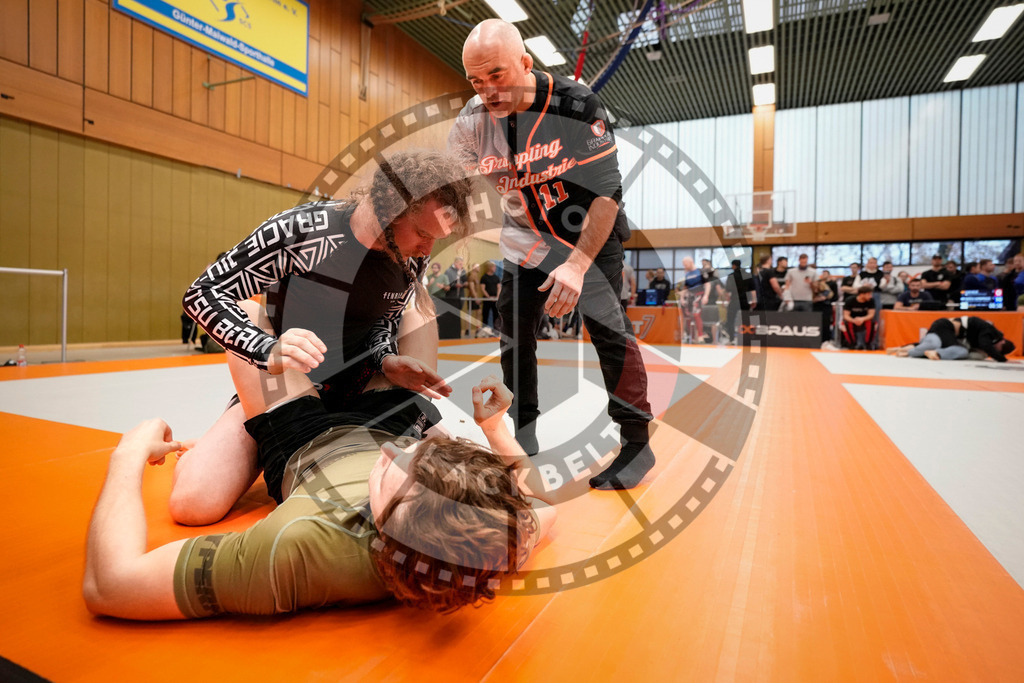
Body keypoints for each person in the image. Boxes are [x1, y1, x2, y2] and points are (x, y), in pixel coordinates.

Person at [82, 308, 556, 619]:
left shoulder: (298, 548)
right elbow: (541, 505)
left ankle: (246, 399)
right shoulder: (484, 542)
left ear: (386, 531)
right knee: (416, 312)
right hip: (387, 410)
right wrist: (496, 433)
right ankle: (403, 285)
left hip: (305, 437)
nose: (395, 451)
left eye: (396, 472)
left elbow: (110, 585)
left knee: (193, 503)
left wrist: (127, 455)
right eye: (420, 451)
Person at [175, 150, 472, 526]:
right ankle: (229, 434)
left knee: (421, 309)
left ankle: (403, 416)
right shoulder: (301, 230)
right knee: (193, 504)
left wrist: (386, 359)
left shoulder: (409, 256)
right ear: (390, 208)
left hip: (363, 386)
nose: (428, 250)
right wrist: (266, 348)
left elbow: (386, 318)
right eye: (424, 235)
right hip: (289, 384)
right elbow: (202, 293)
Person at [448, 19, 655, 490]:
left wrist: (579, 266)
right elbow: (450, 185)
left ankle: (638, 442)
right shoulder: (472, 122)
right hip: (525, 240)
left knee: (607, 329)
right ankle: (522, 432)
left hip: (588, 236)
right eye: (476, 81)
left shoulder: (576, 105)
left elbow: (608, 191)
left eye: (497, 75)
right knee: (514, 331)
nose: (488, 91)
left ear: (525, 62)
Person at [888, 317, 967, 360]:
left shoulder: (957, 342)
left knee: (962, 351)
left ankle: (902, 349)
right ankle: (907, 352)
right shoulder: (947, 324)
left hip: (942, 338)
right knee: (933, 343)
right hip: (941, 330)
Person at [677, 257, 708, 342]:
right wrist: (682, 298)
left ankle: (700, 336)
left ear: (690, 262)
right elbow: (685, 287)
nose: (684, 266)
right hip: (689, 297)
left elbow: (707, 284)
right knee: (688, 316)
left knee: (696, 314)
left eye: (685, 264)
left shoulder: (700, 271)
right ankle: (692, 337)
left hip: (698, 296)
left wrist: (706, 296)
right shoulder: (687, 274)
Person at [723, 259, 754, 342]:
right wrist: (754, 300)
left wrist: (726, 300)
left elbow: (727, 290)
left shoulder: (731, 276)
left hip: (734, 300)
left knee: (730, 320)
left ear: (733, 266)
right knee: (746, 319)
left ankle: (731, 339)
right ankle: (746, 338)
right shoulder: (747, 275)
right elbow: (752, 289)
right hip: (745, 301)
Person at [842, 285, 877, 350]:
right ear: (862, 294)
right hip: (852, 319)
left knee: (873, 323)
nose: (870, 296)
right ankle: (852, 344)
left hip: (865, 319)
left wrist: (862, 319)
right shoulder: (850, 300)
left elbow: (871, 314)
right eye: (869, 294)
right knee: (844, 323)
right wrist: (853, 320)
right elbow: (846, 315)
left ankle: (868, 344)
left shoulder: (871, 301)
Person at [478, 261, 502, 335]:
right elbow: (482, 289)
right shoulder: (484, 277)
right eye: (493, 267)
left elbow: (499, 287)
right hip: (487, 299)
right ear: (489, 267)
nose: (495, 268)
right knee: (485, 314)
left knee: (496, 315)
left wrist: (497, 296)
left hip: (495, 300)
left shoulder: (496, 277)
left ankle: (496, 330)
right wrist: (488, 297)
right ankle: (484, 330)